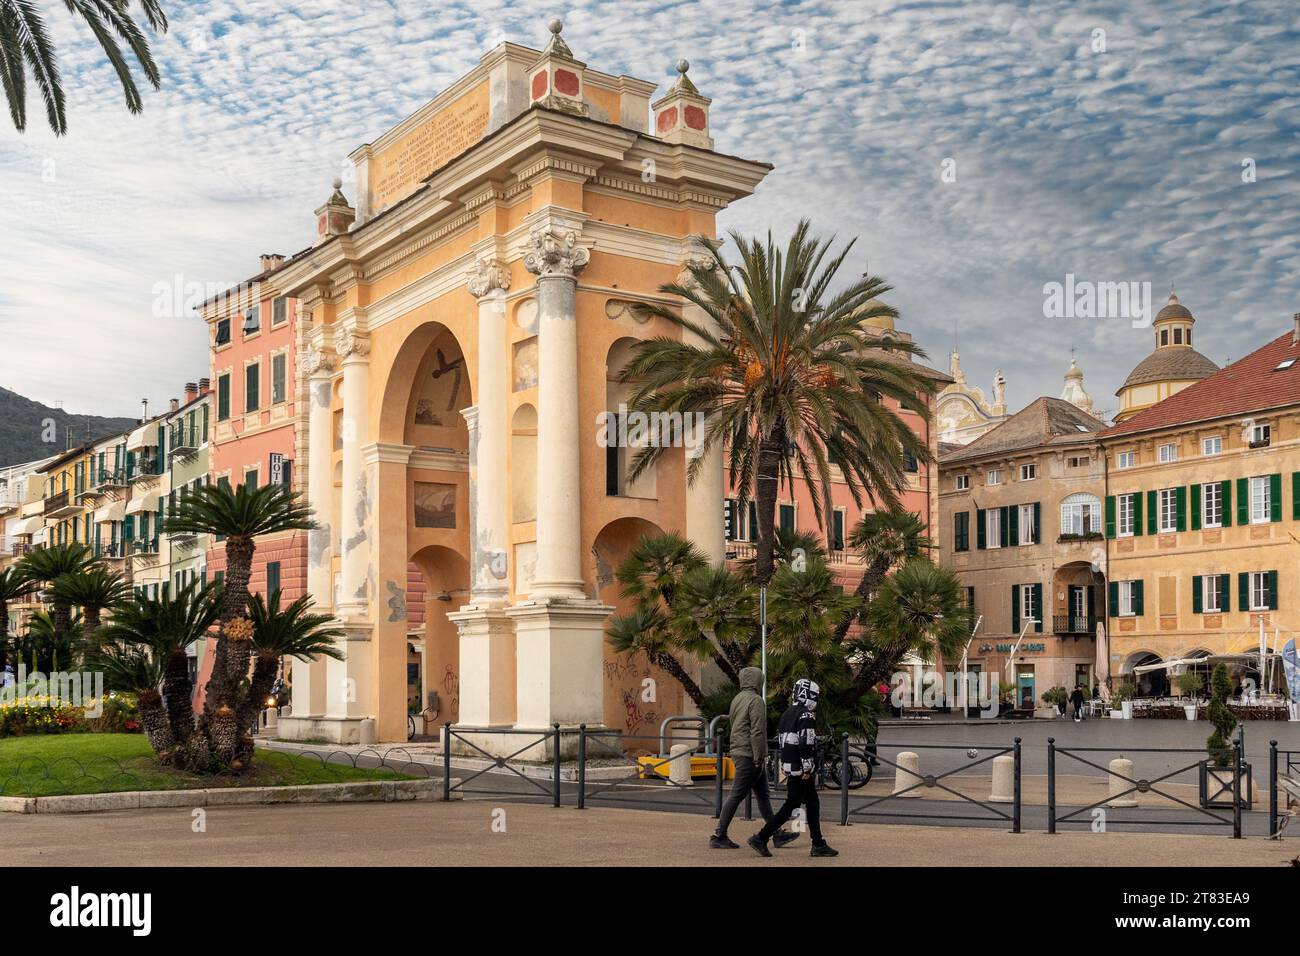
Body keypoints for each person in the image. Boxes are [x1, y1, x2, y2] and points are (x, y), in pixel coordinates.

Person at [711, 667, 799, 850]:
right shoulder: (756, 700)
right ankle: (719, 835)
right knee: (736, 795)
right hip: (749, 754)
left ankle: (775, 833)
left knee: (763, 796)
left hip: (739, 750)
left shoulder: (737, 699)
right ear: (758, 681)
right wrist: (759, 757)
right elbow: (757, 731)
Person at [749, 678, 838, 858]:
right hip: (801, 769)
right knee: (792, 805)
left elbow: (787, 742)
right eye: (815, 696)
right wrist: (807, 768)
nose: (816, 700)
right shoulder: (806, 715)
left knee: (811, 803)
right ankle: (762, 837)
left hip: (790, 766)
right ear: (809, 696)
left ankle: (818, 842)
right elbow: (805, 743)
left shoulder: (788, 713)